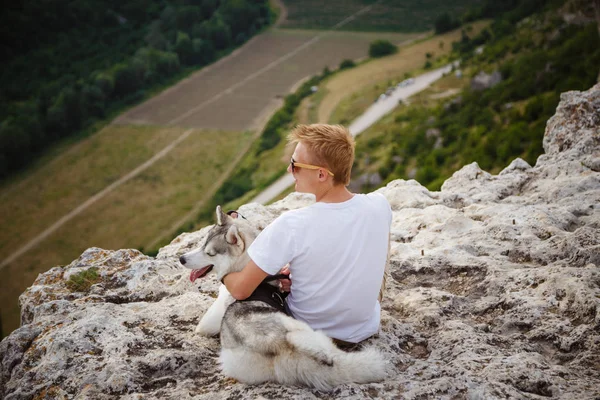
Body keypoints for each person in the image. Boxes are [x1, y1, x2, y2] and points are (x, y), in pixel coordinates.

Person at [223, 124, 392, 344]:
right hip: (362, 329)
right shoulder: (380, 205)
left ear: (321, 174)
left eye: (295, 165)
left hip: (310, 335)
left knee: (239, 292)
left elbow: (240, 290)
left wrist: (224, 271)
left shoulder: (292, 224)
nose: (289, 171)